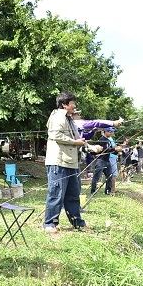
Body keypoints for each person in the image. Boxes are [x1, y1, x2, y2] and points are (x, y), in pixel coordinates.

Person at [44, 91, 90, 233]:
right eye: (72, 103)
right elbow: (55, 134)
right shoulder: (58, 116)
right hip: (58, 161)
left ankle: (77, 222)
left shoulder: (69, 119)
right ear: (64, 105)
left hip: (71, 162)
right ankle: (50, 223)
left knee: (73, 194)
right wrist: (74, 142)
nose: (74, 106)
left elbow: (77, 139)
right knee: (56, 193)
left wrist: (89, 146)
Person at [90, 127, 122, 196]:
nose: (111, 133)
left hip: (107, 161)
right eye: (110, 132)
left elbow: (110, 151)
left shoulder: (108, 140)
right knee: (97, 177)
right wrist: (115, 149)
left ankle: (108, 191)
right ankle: (93, 191)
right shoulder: (102, 140)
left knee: (110, 176)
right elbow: (104, 150)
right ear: (106, 132)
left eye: (112, 132)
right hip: (100, 160)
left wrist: (117, 151)